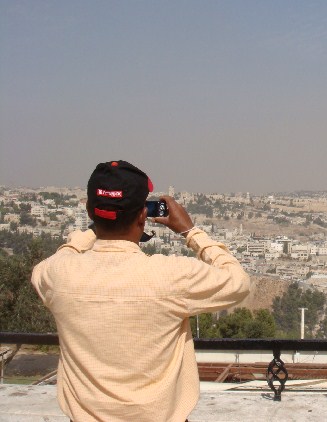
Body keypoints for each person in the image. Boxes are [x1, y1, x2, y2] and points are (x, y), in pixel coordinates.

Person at [32, 160, 250, 422]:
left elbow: (60, 259)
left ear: (90, 211)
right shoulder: (171, 276)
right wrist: (191, 232)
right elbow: (238, 281)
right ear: (142, 215)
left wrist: (91, 232)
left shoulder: (57, 275)